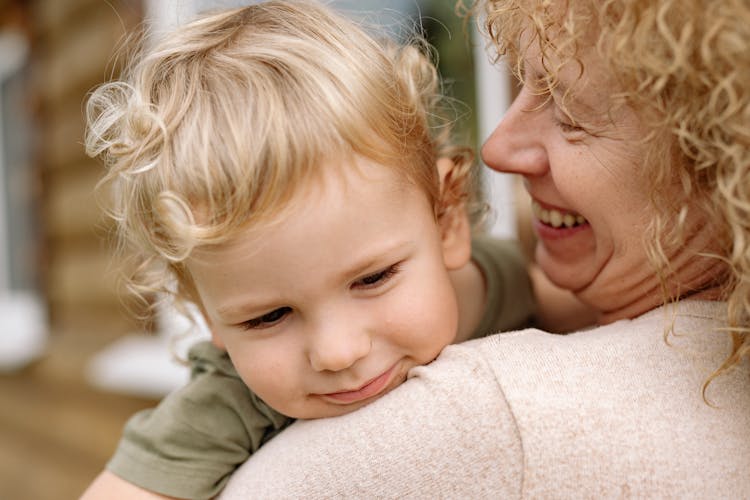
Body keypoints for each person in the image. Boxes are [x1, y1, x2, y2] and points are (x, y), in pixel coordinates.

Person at [192, 0, 745, 497]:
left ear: (722, 156)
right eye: (268, 315)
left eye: (572, 115)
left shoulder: (486, 418)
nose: (495, 148)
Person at [79, 1, 572, 498]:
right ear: (205, 315)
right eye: (269, 317)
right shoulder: (231, 403)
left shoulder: (504, 280)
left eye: (372, 279)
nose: (338, 352)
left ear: (447, 221)